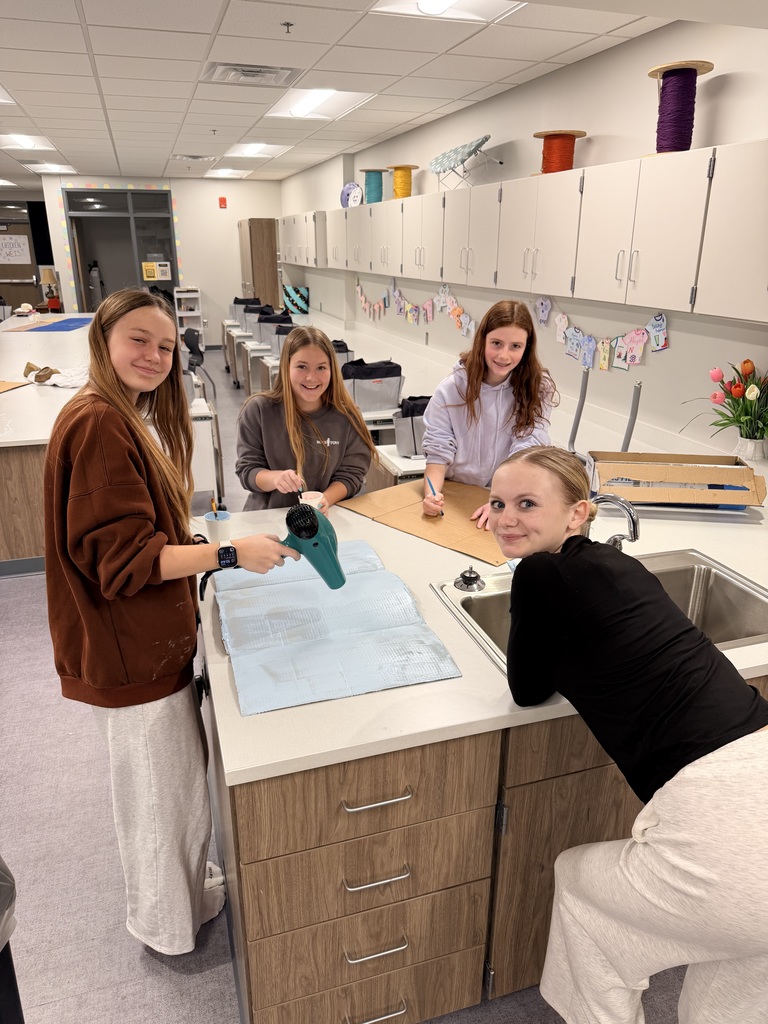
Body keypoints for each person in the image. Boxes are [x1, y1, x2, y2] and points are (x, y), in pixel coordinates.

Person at [43, 289, 298, 956]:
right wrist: (229, 553)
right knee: (160, 802)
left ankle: (185, 898)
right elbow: (122, 564)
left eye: (164, 345)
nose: (154, 356)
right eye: (138, 340)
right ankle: (166, 929)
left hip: (142, 644)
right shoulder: (99, 423)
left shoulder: (119, 414)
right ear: (104, 340)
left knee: (176, 791)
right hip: (129, 652)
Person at [487, 445, 768, 1024]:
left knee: (581, 891)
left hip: (725, 825)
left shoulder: (540, 572)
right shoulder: (620, 566)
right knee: (745, 955)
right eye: (497, 502)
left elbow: (526, 687)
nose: (505, 517)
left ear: (578, 514)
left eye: (527, 503)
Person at [422, 299, 556, 528]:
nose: (504, 355)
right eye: (496, 343)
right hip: (456, 491)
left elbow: (526, 453)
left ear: (527, 347)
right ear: (482, 339)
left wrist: (501, 502)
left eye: (515, 346)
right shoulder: (452, 388)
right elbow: (438, 453)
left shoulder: (537, 388)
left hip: (508, 493)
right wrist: (431, 497)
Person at [236, 326, 377, 513]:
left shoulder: (347, 417)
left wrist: (324, 500)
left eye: (321, 368)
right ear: (286, 367)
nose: (311, 377)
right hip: (268, 518)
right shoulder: (259, 410)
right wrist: (275, 478)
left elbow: (351, 475)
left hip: (324, 519)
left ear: (332, 370)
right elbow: (248, 470)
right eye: (302, 367)